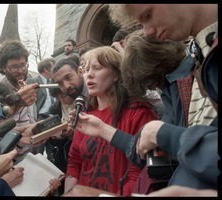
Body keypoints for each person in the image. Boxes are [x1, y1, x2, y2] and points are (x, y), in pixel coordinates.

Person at [108, 3, 218, 194]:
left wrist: (162, 133)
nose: (147, 32)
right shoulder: (201, 54)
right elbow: (143, 145)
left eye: (148, 15)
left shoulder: (183, 80)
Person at [64, 46, 158, 196]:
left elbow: (140, 171)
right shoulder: (85, 116)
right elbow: (75, 161)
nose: (89, 75)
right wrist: (68, 192)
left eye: (97, 68)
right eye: (86, 70)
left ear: (116, 74)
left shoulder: (138, 113)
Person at [25, 57, 56, 155]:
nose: (55, 70)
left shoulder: (53, 83)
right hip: (39, 118)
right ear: (46, 69)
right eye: (53, 68)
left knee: (52, 148)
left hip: (52, 118)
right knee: (38, 148)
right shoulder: (32, 81)